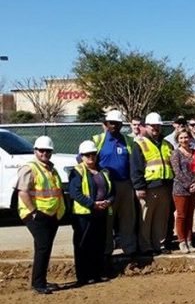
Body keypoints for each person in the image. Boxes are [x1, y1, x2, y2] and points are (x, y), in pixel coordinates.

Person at [16, 136, 66, 294]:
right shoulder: (29, 168)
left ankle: (41, 280)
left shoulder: (51, 169)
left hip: (51, 214)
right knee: (43, 246)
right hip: (36, 214)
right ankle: (38, 283)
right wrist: (33, 212)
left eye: (48, 151)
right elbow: (23, 192)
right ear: (35, 151)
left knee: (45, 247)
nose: (45, 153)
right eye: (42, 150)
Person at [92, 109, 137, 257]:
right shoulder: (98, 140)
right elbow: (84, 159)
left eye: (117, 123)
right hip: (107, 187)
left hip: (125, 184)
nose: (114, 126)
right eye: (111, 123)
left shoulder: (128, 141)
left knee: (127, 218)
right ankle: (106, 250)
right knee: (108, 219)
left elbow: (133, 163)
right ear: (106, 124)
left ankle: (129, 248)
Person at [69, 140, 114, 285]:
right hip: (84, 215)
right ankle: (83, 276)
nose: (90, 157)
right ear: (81, 156)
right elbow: (75, 193)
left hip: (100, 213)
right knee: (83, 245)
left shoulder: (104, 171)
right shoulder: (77, 172)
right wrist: (92, 204)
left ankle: (96, 273)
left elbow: (112, 190)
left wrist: (108, 201)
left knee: (98, 244)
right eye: (87, 155)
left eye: (93, 154)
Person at [131, 112, 175, 255]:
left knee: (161, 218)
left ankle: (160, 244)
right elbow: (136, 167)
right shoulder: (139, 144)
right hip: (148, 187)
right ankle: (146, 246)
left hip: (165, 186)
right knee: (146, 218)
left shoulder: (167, 144)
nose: (155, 128)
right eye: (152, 126)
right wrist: (139, 187)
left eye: (157, 126)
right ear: (146, 127)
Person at [170, 129, 195, 254]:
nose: (184, 140)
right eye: (181, 138)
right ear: (178, 140)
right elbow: (177, 172)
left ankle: (189, 240)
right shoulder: (176, 153)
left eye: (186, 137)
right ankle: (182, 241)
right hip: (180, 189)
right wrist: (188, 184)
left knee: (190, 216)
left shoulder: (194, 152)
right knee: (181, 215)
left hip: (194, 189)